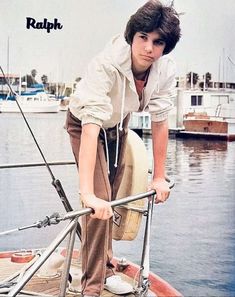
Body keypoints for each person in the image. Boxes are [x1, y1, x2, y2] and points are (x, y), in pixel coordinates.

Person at [66, 1, 181, 296]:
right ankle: (91, 288)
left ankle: (104, 268)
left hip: (118, 123)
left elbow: (160, 121)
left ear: (165, 47)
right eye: (143, 37)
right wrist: (87, 194)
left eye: (158, 42)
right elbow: (91, 128)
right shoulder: (106, 64)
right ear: (132, 35)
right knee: (98, 203)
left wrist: (159, 176)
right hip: (85, 122)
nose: (148, 48)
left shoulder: (165, 69)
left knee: (112, 201)